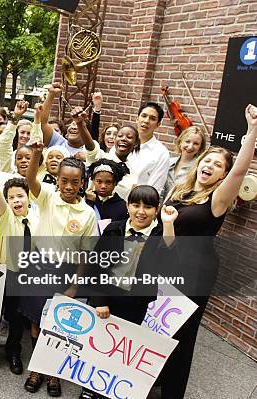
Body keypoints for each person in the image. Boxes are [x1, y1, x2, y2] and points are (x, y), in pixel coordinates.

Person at [157, 105, 257, 399]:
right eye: (207, 160)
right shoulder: (182, 190)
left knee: (181, 335)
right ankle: (154, 379)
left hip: (193, 272)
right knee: (159, 326)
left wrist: (251, 131)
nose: (210, 166)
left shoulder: (217, 200)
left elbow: (241, 170)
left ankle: (172, 392)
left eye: (218, 165)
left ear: (223, 176)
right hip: (166, 263)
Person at [80, 185, 173, 399]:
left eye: (148, 207)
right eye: (135, 205)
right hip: (108, 299)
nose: (141, 211)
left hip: (136, 303)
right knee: (97, 344)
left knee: (122, 350)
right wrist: (99, 300)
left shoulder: (160, 235)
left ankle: (110, 388)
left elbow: (171, 261)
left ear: (156, 209)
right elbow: (96, 267)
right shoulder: (114, 229)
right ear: (127, 206)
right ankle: (88, 386)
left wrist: (168, 225)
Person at [23, 144, 97, 396]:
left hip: (66, 274)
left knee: (58, 326)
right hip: (40, 267)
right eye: (63, 180)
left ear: (82, 183)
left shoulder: (87, 214)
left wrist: (75, 286)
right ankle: (37, 369)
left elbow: (85, 254)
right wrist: (35, 154)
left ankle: (53, 372)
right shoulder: (46, 197)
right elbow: (30, 178)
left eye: (74, 182)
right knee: (36, 321)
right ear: (56, 180)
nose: (68, 186)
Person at [0, 177, 37, 377]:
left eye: (20, 196)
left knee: (16, 317)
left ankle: (13, 351)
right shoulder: (6, 216)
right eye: (12, 198)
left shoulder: (36, 218)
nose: (16, 201)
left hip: (26, 275)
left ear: (28, 197)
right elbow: (0, 203)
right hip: (5, 272)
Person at [126, 102, 170, 195]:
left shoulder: (161, 153)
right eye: (144, 116)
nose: (146, 121)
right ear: (137, 118)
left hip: (135, 203)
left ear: (158, 124)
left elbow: (154, 189)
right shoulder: (122, 141)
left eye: (152, 118)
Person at [163, 125, 208, 199]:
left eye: (196, 144)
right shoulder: (169, 162)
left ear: (200, 147)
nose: (190, 146)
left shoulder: (198, 169)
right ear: (180, 141)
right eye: (187, 141)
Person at [85, 158, 129, 229]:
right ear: (93, 181)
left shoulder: (122, 206)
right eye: (99, 181)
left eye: (108, 182)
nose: (103, 186)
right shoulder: (84, 200)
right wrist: (90, 202)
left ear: (115, 183)